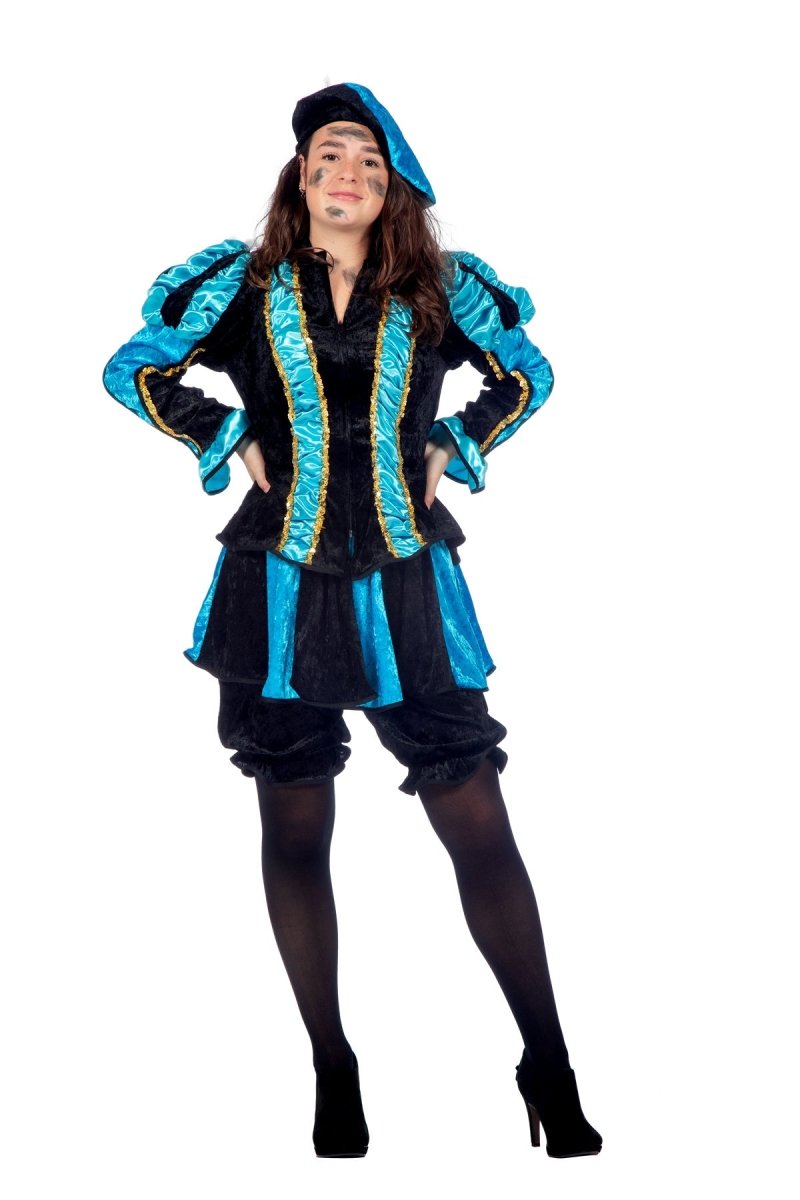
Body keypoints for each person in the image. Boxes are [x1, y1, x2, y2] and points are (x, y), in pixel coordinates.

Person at [103, 82, 602, 1161]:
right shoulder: (241, 288)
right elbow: (132, 366)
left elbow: (527, 372)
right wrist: (222, 432)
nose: (349, 173)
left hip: (406, 578)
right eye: (331, 154)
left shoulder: (435, 290)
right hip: (276, 581)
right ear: (300, 174)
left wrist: (456, 443)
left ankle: (548, 1061)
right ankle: (332, 1062)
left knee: (475, 813)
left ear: (392, 192)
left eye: (371, 164)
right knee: (294, 823)